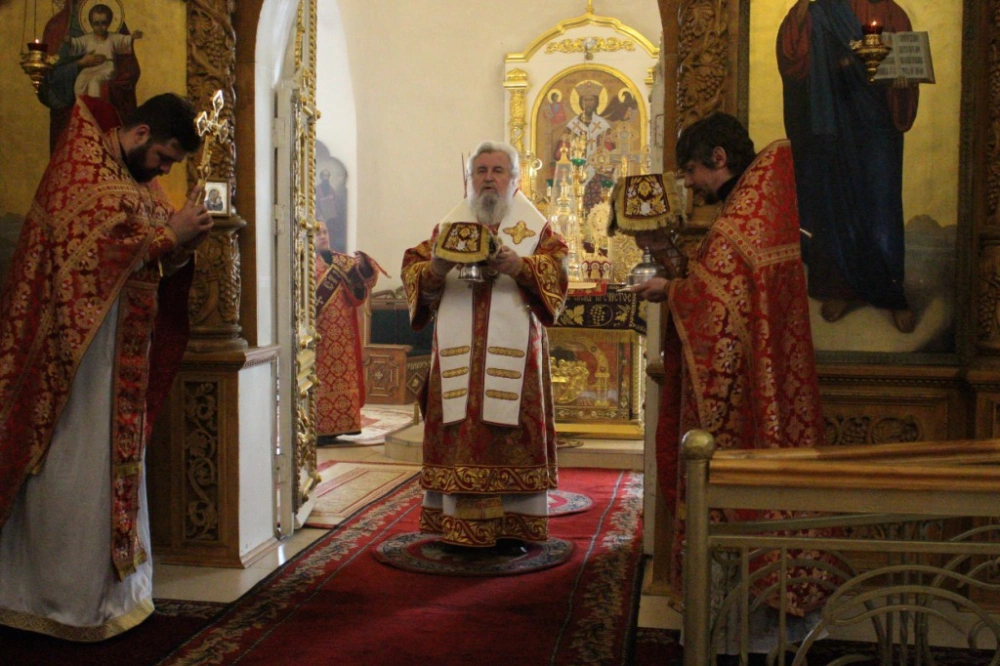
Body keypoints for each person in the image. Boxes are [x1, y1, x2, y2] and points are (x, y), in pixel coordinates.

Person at [0, 92, 211, 641]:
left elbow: (152, 251)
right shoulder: (83, 168)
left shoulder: (137, 179)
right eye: (163, 158)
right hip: (75, 359)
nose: (164, 171)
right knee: (72, 466)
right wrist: (169, 235)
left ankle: (117, 595)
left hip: (120, 356)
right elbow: (95, 253)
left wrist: (182, 242)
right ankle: (55, 598)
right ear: (140, 134)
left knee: (114, 467)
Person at [630, 113, 839, 655]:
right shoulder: (751, 210)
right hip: (764, 379)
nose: (690, 183)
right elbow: (717, 287)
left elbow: (712, 305)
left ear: (718, 159)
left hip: (742, 402)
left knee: (736, 497)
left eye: (692, 170)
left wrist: (669, 290)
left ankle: (744, 626)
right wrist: (674, 267)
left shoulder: (739, 220)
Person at [401, 141, 568, 555]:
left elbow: (558, 269)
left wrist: (522, 267)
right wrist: (436, 268)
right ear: (470, 179)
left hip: (516, 358)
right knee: (460, 432)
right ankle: (457, 527)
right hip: (457, 355)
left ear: (514, 179)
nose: (489, 178)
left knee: (508, 435)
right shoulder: (448, 228)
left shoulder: (535, 228)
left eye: (498, 170)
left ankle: (514, 528)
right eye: (481, 171)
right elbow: (414, 270)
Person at [777, 0, 919, 333]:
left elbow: (909, 63)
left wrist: (902, 81)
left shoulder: (892, 14)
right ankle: (840, 288)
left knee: (881, 204)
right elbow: (793, 58)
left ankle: (890, 291)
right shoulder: (820, 11)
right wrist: (802, 13)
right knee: (835, 202)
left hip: (877, 125)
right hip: (833, 123)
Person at [39, 1, 142, 153]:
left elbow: (129, 71)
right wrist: (80, 64)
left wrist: (107, 88)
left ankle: (92, 108)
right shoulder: (56, 27)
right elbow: (49, 78)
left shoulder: (113, 23)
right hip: (68, 122)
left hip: (107, 119)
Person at [314, 223, 382, 440]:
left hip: (343, 335)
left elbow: (366, 282)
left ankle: (344, 424)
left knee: (344, 378)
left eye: (325, 232)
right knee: (320, 381)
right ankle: (321, 429)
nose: (323, 236)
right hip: (318, 336)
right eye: (317, 233)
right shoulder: (303, 263)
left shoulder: (341, 261)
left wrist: (365, 266)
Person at [65, 4, 143, 99]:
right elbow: (77, 43)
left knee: (95, 81)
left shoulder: (113, 37)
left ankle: (95, 105)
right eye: (96, 23)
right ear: (91, 24)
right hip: (90, 67)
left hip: (107, 67)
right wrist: (69, 41)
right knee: (80, 81)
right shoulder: (88, 38)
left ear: (109, 23)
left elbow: (123, 41)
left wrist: (132, 37)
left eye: (104, 23)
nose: (100, 27)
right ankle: (82, 105)